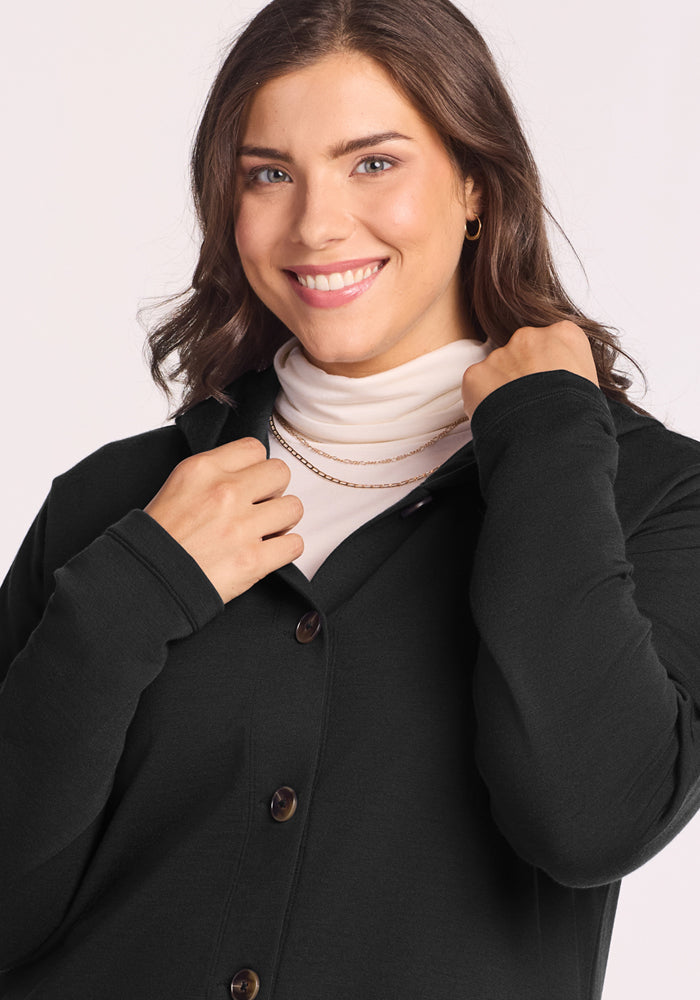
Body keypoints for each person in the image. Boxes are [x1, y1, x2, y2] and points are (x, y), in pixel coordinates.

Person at [1, 0, 699, 997]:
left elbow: (592, 822)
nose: (316, 224)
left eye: (372, 162)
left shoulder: (647, 495)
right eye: (269, 174)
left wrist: (547, 436)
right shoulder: (114, 503)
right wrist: (124, 601)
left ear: (474, 181)